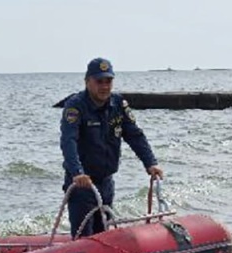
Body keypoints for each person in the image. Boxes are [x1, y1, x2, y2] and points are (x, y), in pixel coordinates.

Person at [59, 57, 164, 238]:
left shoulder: (118, 105)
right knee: (83, 237)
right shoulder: (75, 107)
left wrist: (150, 163)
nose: (104, 86)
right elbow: (68, 141)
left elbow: (135, 135)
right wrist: (77, 172)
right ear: (87, 81)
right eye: (99, 81)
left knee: (104, 235)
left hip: (106, 182)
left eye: (108, 81)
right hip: (82, 185)